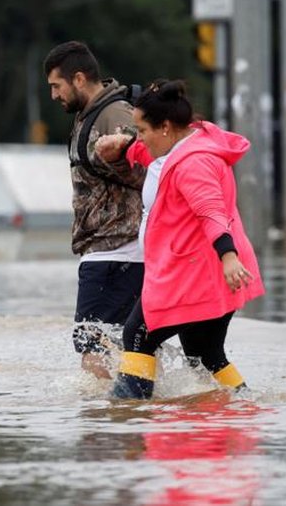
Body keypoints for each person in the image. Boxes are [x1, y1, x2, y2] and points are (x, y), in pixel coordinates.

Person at [95, 79, 265, 399]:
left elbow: (211, 212)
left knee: (137, 335)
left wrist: (228, 257)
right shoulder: (185, 143)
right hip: (204, 270)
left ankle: (127, 417)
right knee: (204, 353)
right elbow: (152, 156)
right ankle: (243, 406)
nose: (139, 138)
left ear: (166, 127)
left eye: (142, 130)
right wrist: (124, 145)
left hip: (198, 271)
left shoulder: (195, 163)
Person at [43, 41, 146, 379]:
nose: (54, 95)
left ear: (79, 79)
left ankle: (101, 425)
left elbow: (150, 171)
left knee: (92, 347)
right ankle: (132, 414)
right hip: (116, 253)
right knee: (123, 345)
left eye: (56, 86)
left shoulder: (113, 115)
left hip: (114, 252)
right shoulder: (92, 114)